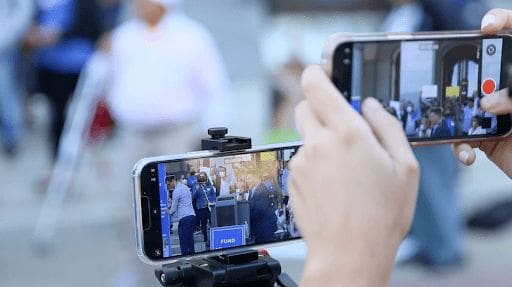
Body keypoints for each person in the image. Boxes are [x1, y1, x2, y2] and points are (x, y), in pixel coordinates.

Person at [289, 8, 512, 286]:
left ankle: (443, 250)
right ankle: (438, 247)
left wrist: (346, 264)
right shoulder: (408, 13)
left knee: (432, 189)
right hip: (423, 133)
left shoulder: (427, 11)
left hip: (429, 136)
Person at [24, 0, 103, 157]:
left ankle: (83, 159)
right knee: (56, 115)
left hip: (78, 66)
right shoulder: (38, 4)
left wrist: (60, 35)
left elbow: (93, 27)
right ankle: (57, 160)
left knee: (83, 118)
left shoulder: (84, 4)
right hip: (49, 65)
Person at [0, 0, 33, 156]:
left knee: (6, 93)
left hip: (4, 48)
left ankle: (12, 137)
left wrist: (3, 38)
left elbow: (23, 11)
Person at [167, 175, 196, 255]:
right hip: (192, 216)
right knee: (190, 240)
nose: (169, 186)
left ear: (173, 180)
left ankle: (185, 258)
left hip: (184, 218)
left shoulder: (176, 191)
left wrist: (167, 211)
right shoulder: (185, 187)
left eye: (169, 184)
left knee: (183, 241)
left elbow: (173, 209)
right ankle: (192, 256)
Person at [247, 172, 279, 244]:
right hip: (258, 229)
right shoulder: (252, 190)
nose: (247, 181)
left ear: (256, 179)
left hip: (264, 229)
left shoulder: (262, 190)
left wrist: (247, 217)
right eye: (247, 179)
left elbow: (259, 210)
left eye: (249, 178)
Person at [192, 171, 216, 244]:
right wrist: (197, 189)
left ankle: (213, 237)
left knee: (212, 222)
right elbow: (193, 197)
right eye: (200, 177)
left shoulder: (210, 186)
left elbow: (213, 195)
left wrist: (213, 201)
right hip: (201, 208)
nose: (202, 178)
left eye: (203, 176)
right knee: (203, 223)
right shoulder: (196, 186)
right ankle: (206, 238)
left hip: (210, 207)